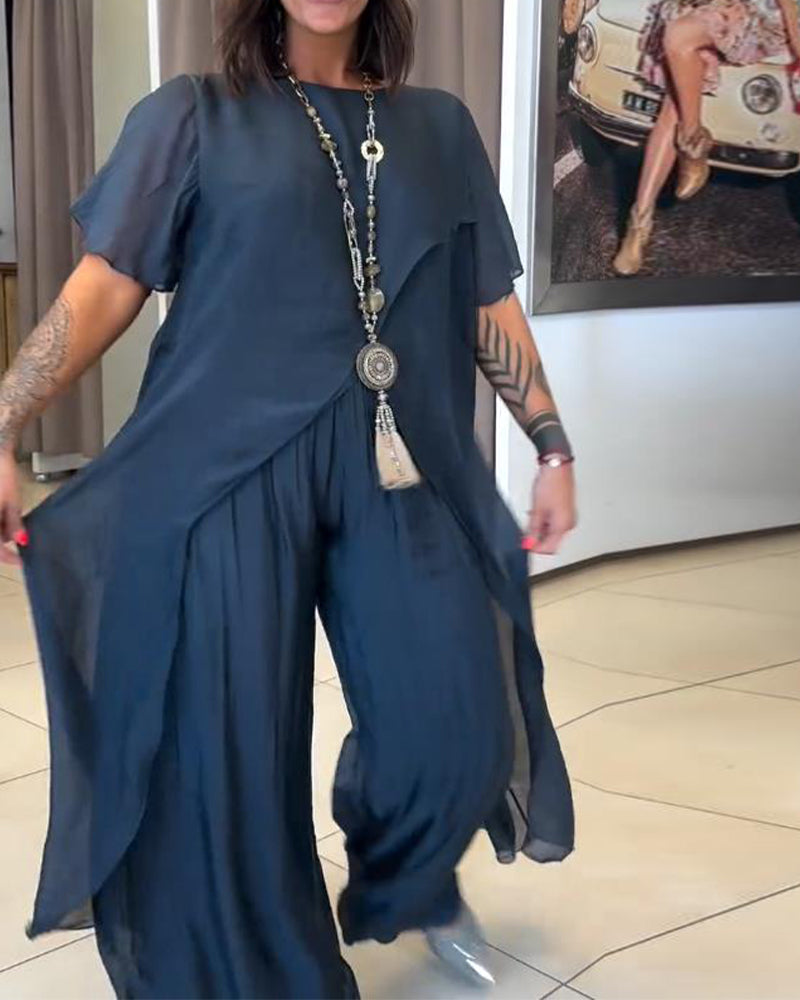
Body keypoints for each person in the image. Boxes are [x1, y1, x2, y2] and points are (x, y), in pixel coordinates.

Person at [0, 0, 578, 996]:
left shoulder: (439, 126)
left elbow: (485, 301)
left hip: (397, 465)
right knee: (224, 751)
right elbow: (105, 284)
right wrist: (5, 415)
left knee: (456, 721)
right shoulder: (192, 114)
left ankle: (410, 877)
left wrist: (551, 443)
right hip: (226, 471)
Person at [614, 0, 800, 275]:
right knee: (676, 99)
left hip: (762, 15)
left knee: (679, 37)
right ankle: (640, 222)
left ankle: (693, 144)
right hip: (708, 7)